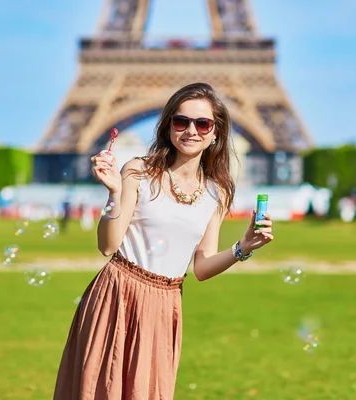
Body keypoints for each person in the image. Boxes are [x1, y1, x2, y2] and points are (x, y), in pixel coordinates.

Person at [53, 82, 274, 399]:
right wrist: (114, 193)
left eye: (203, 123)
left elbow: (202, 267)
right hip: (118, 293)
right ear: (169, 124)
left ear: (216, 134)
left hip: (165, 303)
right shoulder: (138, 171)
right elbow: (107, 246)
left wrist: (243, 248)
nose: (191, 131)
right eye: (181, 121)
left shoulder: (218, 192)